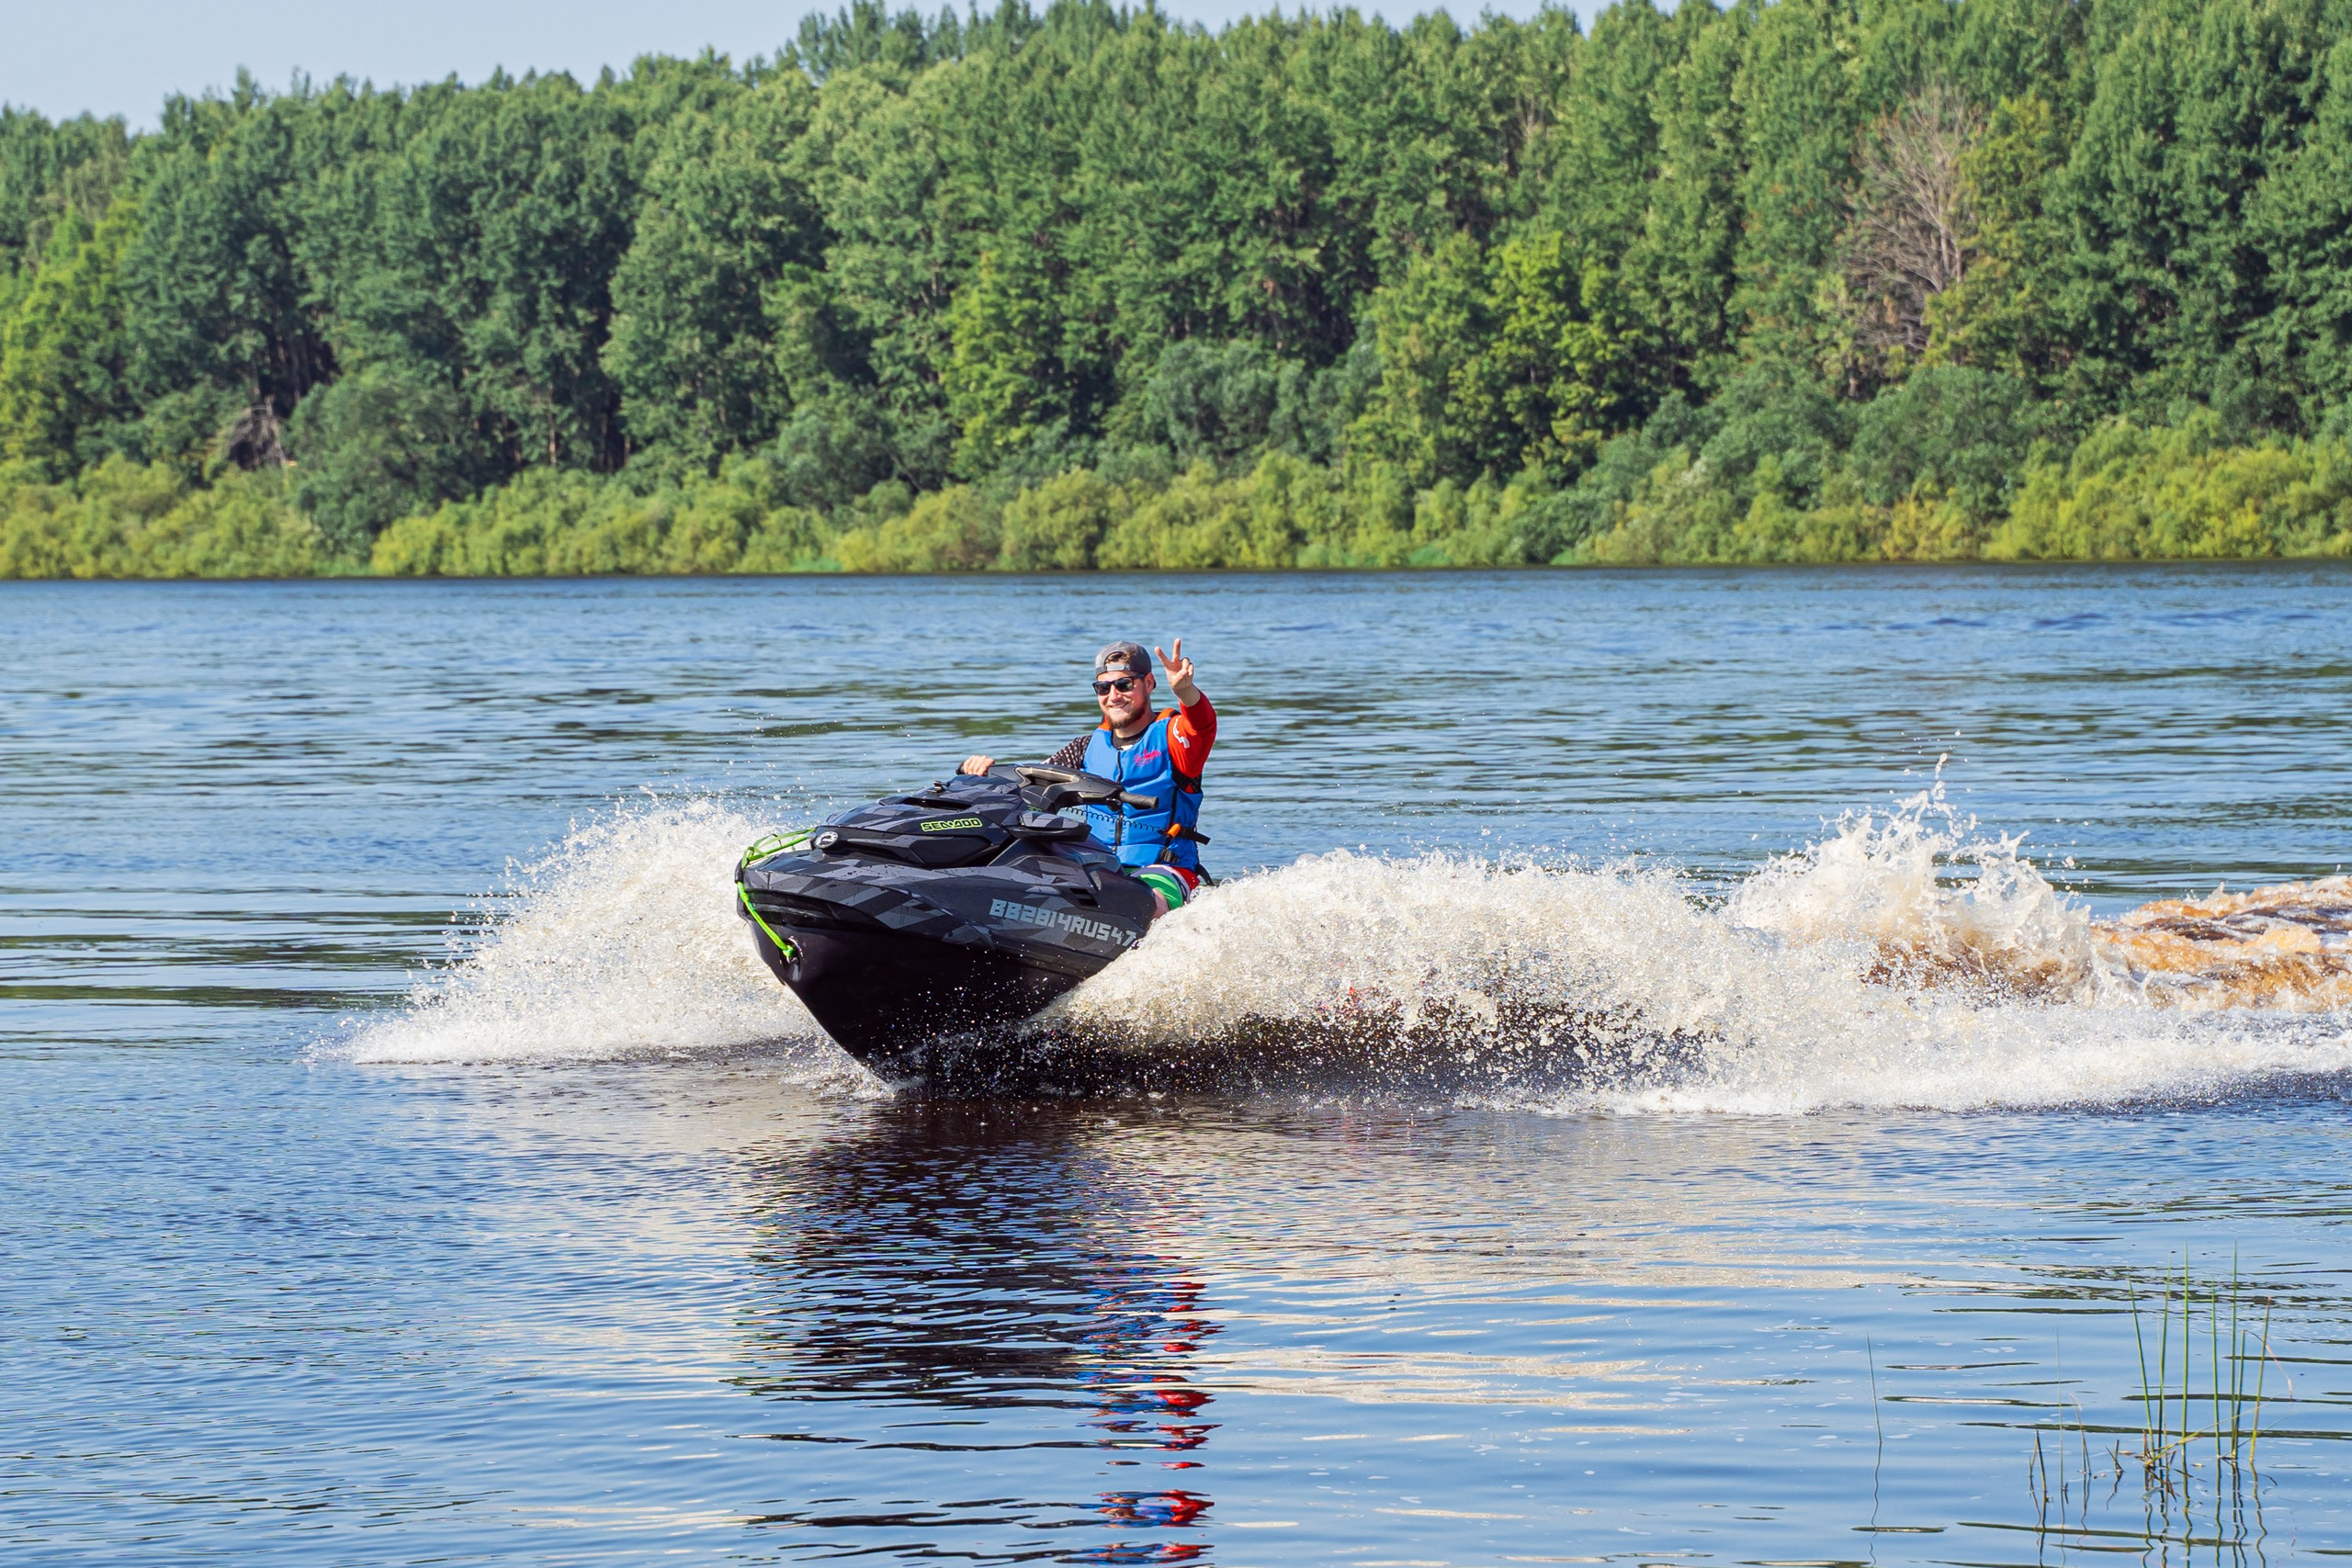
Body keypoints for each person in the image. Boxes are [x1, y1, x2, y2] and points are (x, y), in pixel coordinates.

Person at [960, 639, 1216, 916]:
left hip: (1164, 870)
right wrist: (981, 772)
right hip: (1097, 865)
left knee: (1142, 901)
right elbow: (1032, 781)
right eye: (1103, 688)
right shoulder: (1085, 747)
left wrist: (1186, 692)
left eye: (1124, 684)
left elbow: (1201, 727)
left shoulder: (1173, 738)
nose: (1113, 695)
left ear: (1149, 683)